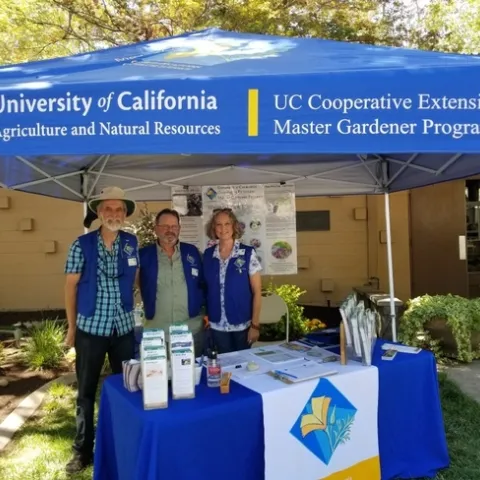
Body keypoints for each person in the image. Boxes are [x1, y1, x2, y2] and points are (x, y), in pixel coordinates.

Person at [64, 186, 138, 474]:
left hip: (123, 328)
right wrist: (72, 328)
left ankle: (122, 442)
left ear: (124, 213)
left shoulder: (131, 242)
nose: (114, 214)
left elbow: (137, 278)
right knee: (85, 391)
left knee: (124, 388)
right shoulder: (80, 245)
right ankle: (83, 450)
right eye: (108, 208)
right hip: (91, 328)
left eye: (119, 209)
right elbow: (70, 288)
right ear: (98, 212)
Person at [138, 208, 205, 354]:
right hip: (156, 332)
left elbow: (205, 284)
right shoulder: (143, 255)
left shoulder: (193, 252)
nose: (170, 230)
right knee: (158, 375)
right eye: (165, 226)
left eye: (174, 226)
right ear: (156, 229)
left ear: (179, 229)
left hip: (190, 330)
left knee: (190, 374)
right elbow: (134, 284)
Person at [203, 208, 262, 354]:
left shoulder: (248, 253)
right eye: (218, 224)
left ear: (234, 226)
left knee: (243, 365)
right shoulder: (208, 254)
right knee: (225, 364)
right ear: (213, 228)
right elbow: (205, 288)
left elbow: (257, 291)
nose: (223, 229)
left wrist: (255, 325)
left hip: (242, 323)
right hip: (217, 324)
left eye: (227, 224)